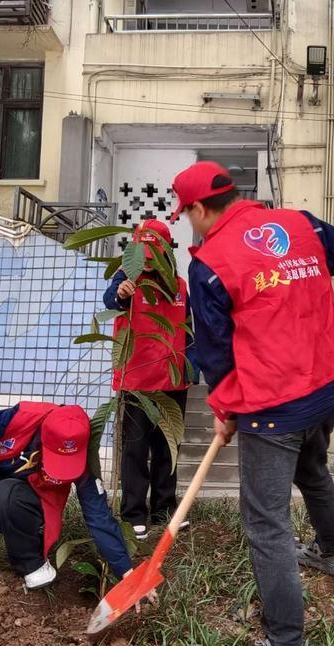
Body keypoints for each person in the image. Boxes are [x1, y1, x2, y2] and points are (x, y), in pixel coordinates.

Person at [172, 160, 334, 646]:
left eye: (186, 215)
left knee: (266, 522)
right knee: (312, 469)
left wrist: (226, 409)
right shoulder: (299, 223)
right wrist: (297, 268)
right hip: (329, 387)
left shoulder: (210, 263)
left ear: (198, 208)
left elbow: (215, 356)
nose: (188, 224)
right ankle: (333, 553)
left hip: (275, 408)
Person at [0, 402, 133, 604]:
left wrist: (126, 571)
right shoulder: (18, 418)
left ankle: (30, 562)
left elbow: (98, 515)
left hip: (20, 505)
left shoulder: (82, 452)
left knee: (5, 494)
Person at [102, 219, 194, 540]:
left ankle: (165, 509)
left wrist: (191, 369)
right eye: (142, 250)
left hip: (172, 383)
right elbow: (110, 298)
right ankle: (133, 513)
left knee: (168, 450)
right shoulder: (127, 278)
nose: (148, 257)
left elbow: (190, 332)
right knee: (135, 451)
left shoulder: (179, 286)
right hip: (135, 382)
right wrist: (121, 293)